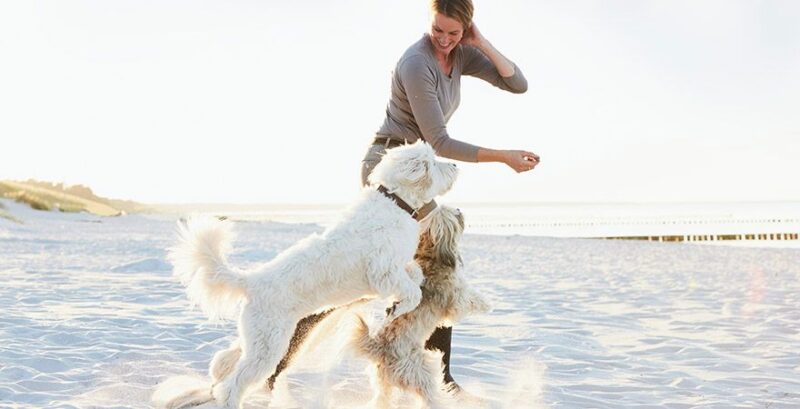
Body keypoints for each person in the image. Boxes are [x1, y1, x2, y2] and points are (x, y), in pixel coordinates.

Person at [268, 0, 539, 394]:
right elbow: (439, 140)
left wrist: (482, 43)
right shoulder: (416, 63)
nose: (444, 41)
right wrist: (503, 157)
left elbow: (518, 83)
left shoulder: (461, 53)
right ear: (429, 24)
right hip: (391, 172)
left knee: (429, 266)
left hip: (418, 177)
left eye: (454, 33)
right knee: (369, 276)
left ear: (466, 30)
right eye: (438, 31)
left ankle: (421, 369)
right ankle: (281, 364)